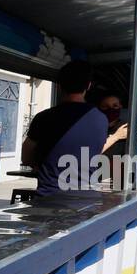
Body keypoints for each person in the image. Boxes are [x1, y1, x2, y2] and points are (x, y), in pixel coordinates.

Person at [21, 60, 109, 195]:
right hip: (85, 199)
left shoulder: (44, 118)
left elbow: (26, 158)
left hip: (49, 199)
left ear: (59, 85)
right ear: (88, 85)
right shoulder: (101, 119)